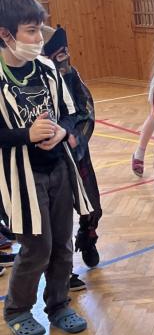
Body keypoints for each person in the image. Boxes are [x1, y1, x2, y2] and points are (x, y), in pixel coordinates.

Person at [0, 0, 91, 335]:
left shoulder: (48, 69)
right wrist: (27, 134)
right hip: (21, 177)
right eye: (31, 31)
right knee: (37, 246)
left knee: (62, 244)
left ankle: (58, 304)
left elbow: (70, 113)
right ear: (5, 34)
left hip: (58, 168)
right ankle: (18, 309)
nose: (39, 38)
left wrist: (63, 132)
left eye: (39, 29)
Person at [42, 26, 102, 287]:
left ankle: (88, 239)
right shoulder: (38, 81)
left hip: (77, 154)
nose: (64, 58)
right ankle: (61, 273)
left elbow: (87, 111)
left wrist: (75, 136)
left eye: (65, 52)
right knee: (58, 217)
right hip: (51, 160)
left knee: (92, 207)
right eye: (58, 54)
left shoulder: (72, 75)